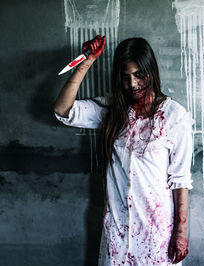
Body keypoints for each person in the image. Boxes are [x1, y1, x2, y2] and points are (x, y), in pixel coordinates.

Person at [53, 35, 193, 266]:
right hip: (117, 234)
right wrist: (86, 62)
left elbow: (180, 180)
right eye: (126, 77)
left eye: (139, 74)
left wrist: (181, 232)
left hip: (157, 234)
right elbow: (63, 110)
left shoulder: (174, 115)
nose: (134, 84)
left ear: (151, 71)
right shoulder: (111, 110)